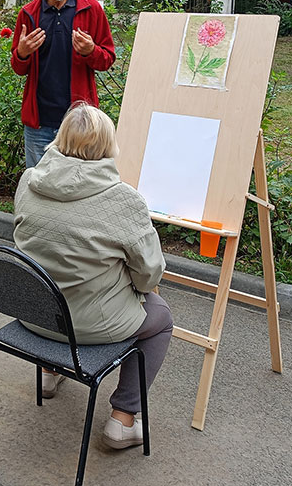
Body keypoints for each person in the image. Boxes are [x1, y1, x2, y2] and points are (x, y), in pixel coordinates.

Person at [12, 102, 172, 450]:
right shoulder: (124, 200)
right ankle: (123, 418)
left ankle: (49, 374)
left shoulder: (29, 181)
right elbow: (149, 275)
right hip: (88, 327)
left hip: (32, 313)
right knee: (160, 317)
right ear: (108, 146)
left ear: (60, 138)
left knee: (57, 275)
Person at [10, 0, 116, 168]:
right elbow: (18, 68)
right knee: (37, 185)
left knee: (77, 187)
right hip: (39, 123)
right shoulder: (29, 14)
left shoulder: (91, 10)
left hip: (80, 122)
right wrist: (22, 53)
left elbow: (107, 60)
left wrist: (91, 51)